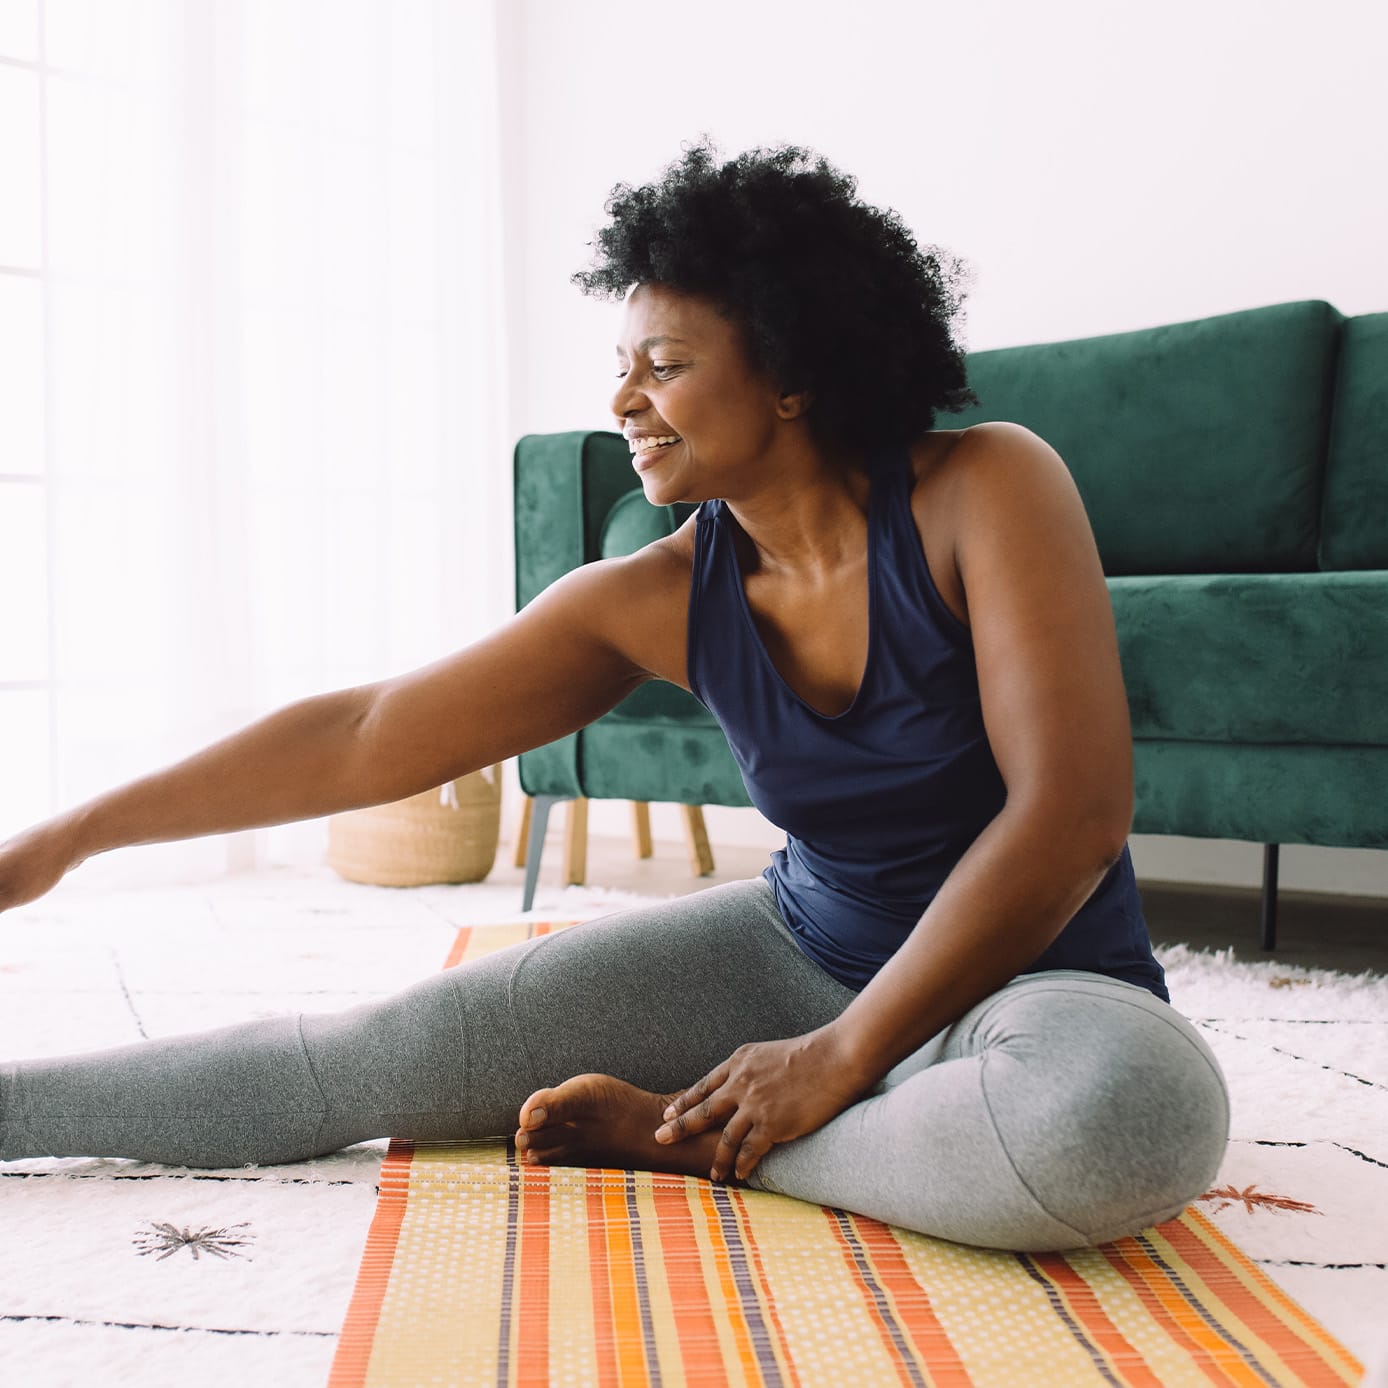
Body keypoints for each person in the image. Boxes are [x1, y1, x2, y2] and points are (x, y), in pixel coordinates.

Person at [0, 140, 1228, 1252]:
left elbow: (1070, 812)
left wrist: (837, 1060)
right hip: (794, 953)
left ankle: (703, 1136)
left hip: (1035, 992)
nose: (624, 399)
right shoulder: (649, 591)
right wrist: (67, 836)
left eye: (667, 364)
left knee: (1122, 1117)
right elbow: (367, 733)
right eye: (621, 364)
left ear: (793, 374)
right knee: (386, 1053)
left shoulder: (986, 487)